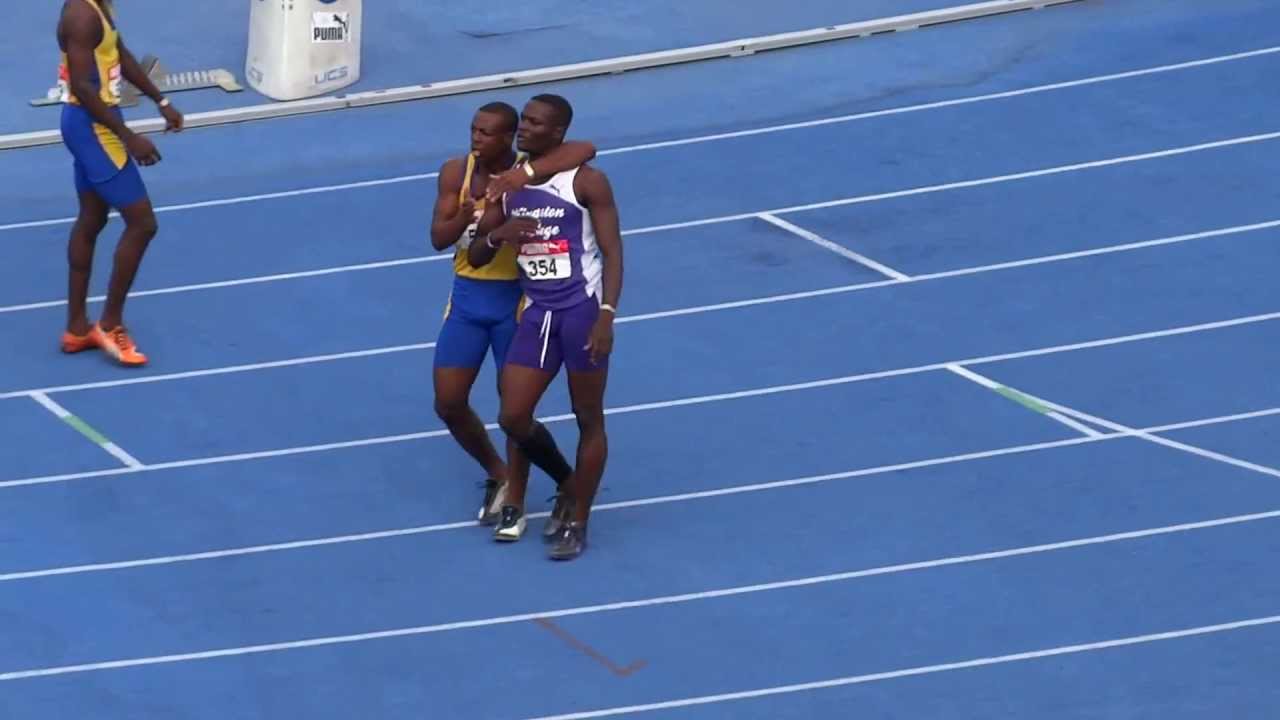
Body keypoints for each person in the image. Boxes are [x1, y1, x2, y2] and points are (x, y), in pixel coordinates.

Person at [469, 94, 623, 560]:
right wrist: (499, 235)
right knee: (512, 417)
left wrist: (608, 314)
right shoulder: (509, 186)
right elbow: (476, 254)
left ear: (557, 133)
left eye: (536, 124)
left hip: (582, 313)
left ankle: (578, 521)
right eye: (524, 121)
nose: (524, 129)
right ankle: (571, 485)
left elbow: (614, 252)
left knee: (588, 417)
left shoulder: (587, 183)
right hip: (537, 315)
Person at [429, 101, 597, 527]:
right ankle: (498, 472)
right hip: (467, 298)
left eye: (486, 133)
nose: (475, 139)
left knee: (513, 408)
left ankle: (515, 500)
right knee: (448, 402)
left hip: (517, 301)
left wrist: (520, 176)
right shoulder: (456, 172)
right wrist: (468, 218)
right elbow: (437, 238)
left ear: (508, 139)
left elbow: (585, 148)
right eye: (473, 131)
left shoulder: (534, 169)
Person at [56, 0, 183, 367]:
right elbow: (81, 85)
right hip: (93, 127)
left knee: (92, 220)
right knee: (143, 223)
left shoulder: (98, 7)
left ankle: (77, 328)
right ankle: (110, 324)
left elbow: (120, 54)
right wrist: (128, 136)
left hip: (94, 122)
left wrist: (161, 100)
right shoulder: (81, 15)